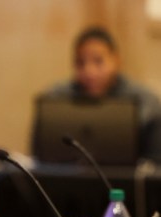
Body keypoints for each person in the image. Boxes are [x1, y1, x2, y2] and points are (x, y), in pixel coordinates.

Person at [31, 26, 161, 162]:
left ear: (116, 60)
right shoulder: (55, 100)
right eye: (80, 63)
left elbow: (156, 165)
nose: (89, 71)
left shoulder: (146, 103)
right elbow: (39, 159)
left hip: (126, 183)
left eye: (98, 61)